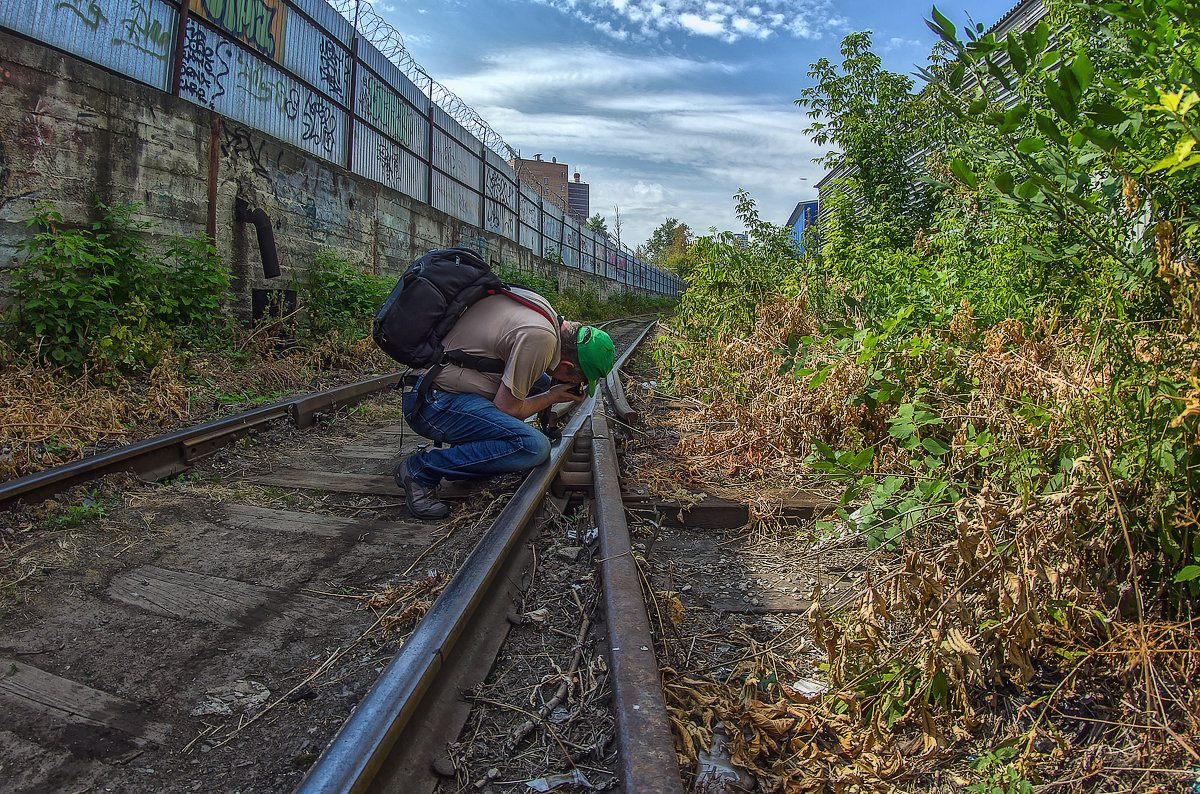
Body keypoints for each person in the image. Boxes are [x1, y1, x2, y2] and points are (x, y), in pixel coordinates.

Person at [396, 285, 616, 519]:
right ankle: (421, 470)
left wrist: (548, 390)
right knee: (534, 447)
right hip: (432, 405)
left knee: (540, 381)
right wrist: (553, 396)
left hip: (437, 386)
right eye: (576, 379)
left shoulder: (546, 316)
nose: (572, 383)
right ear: (569, 366)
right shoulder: (539, 338)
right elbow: (508, 409)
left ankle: (469, 451)